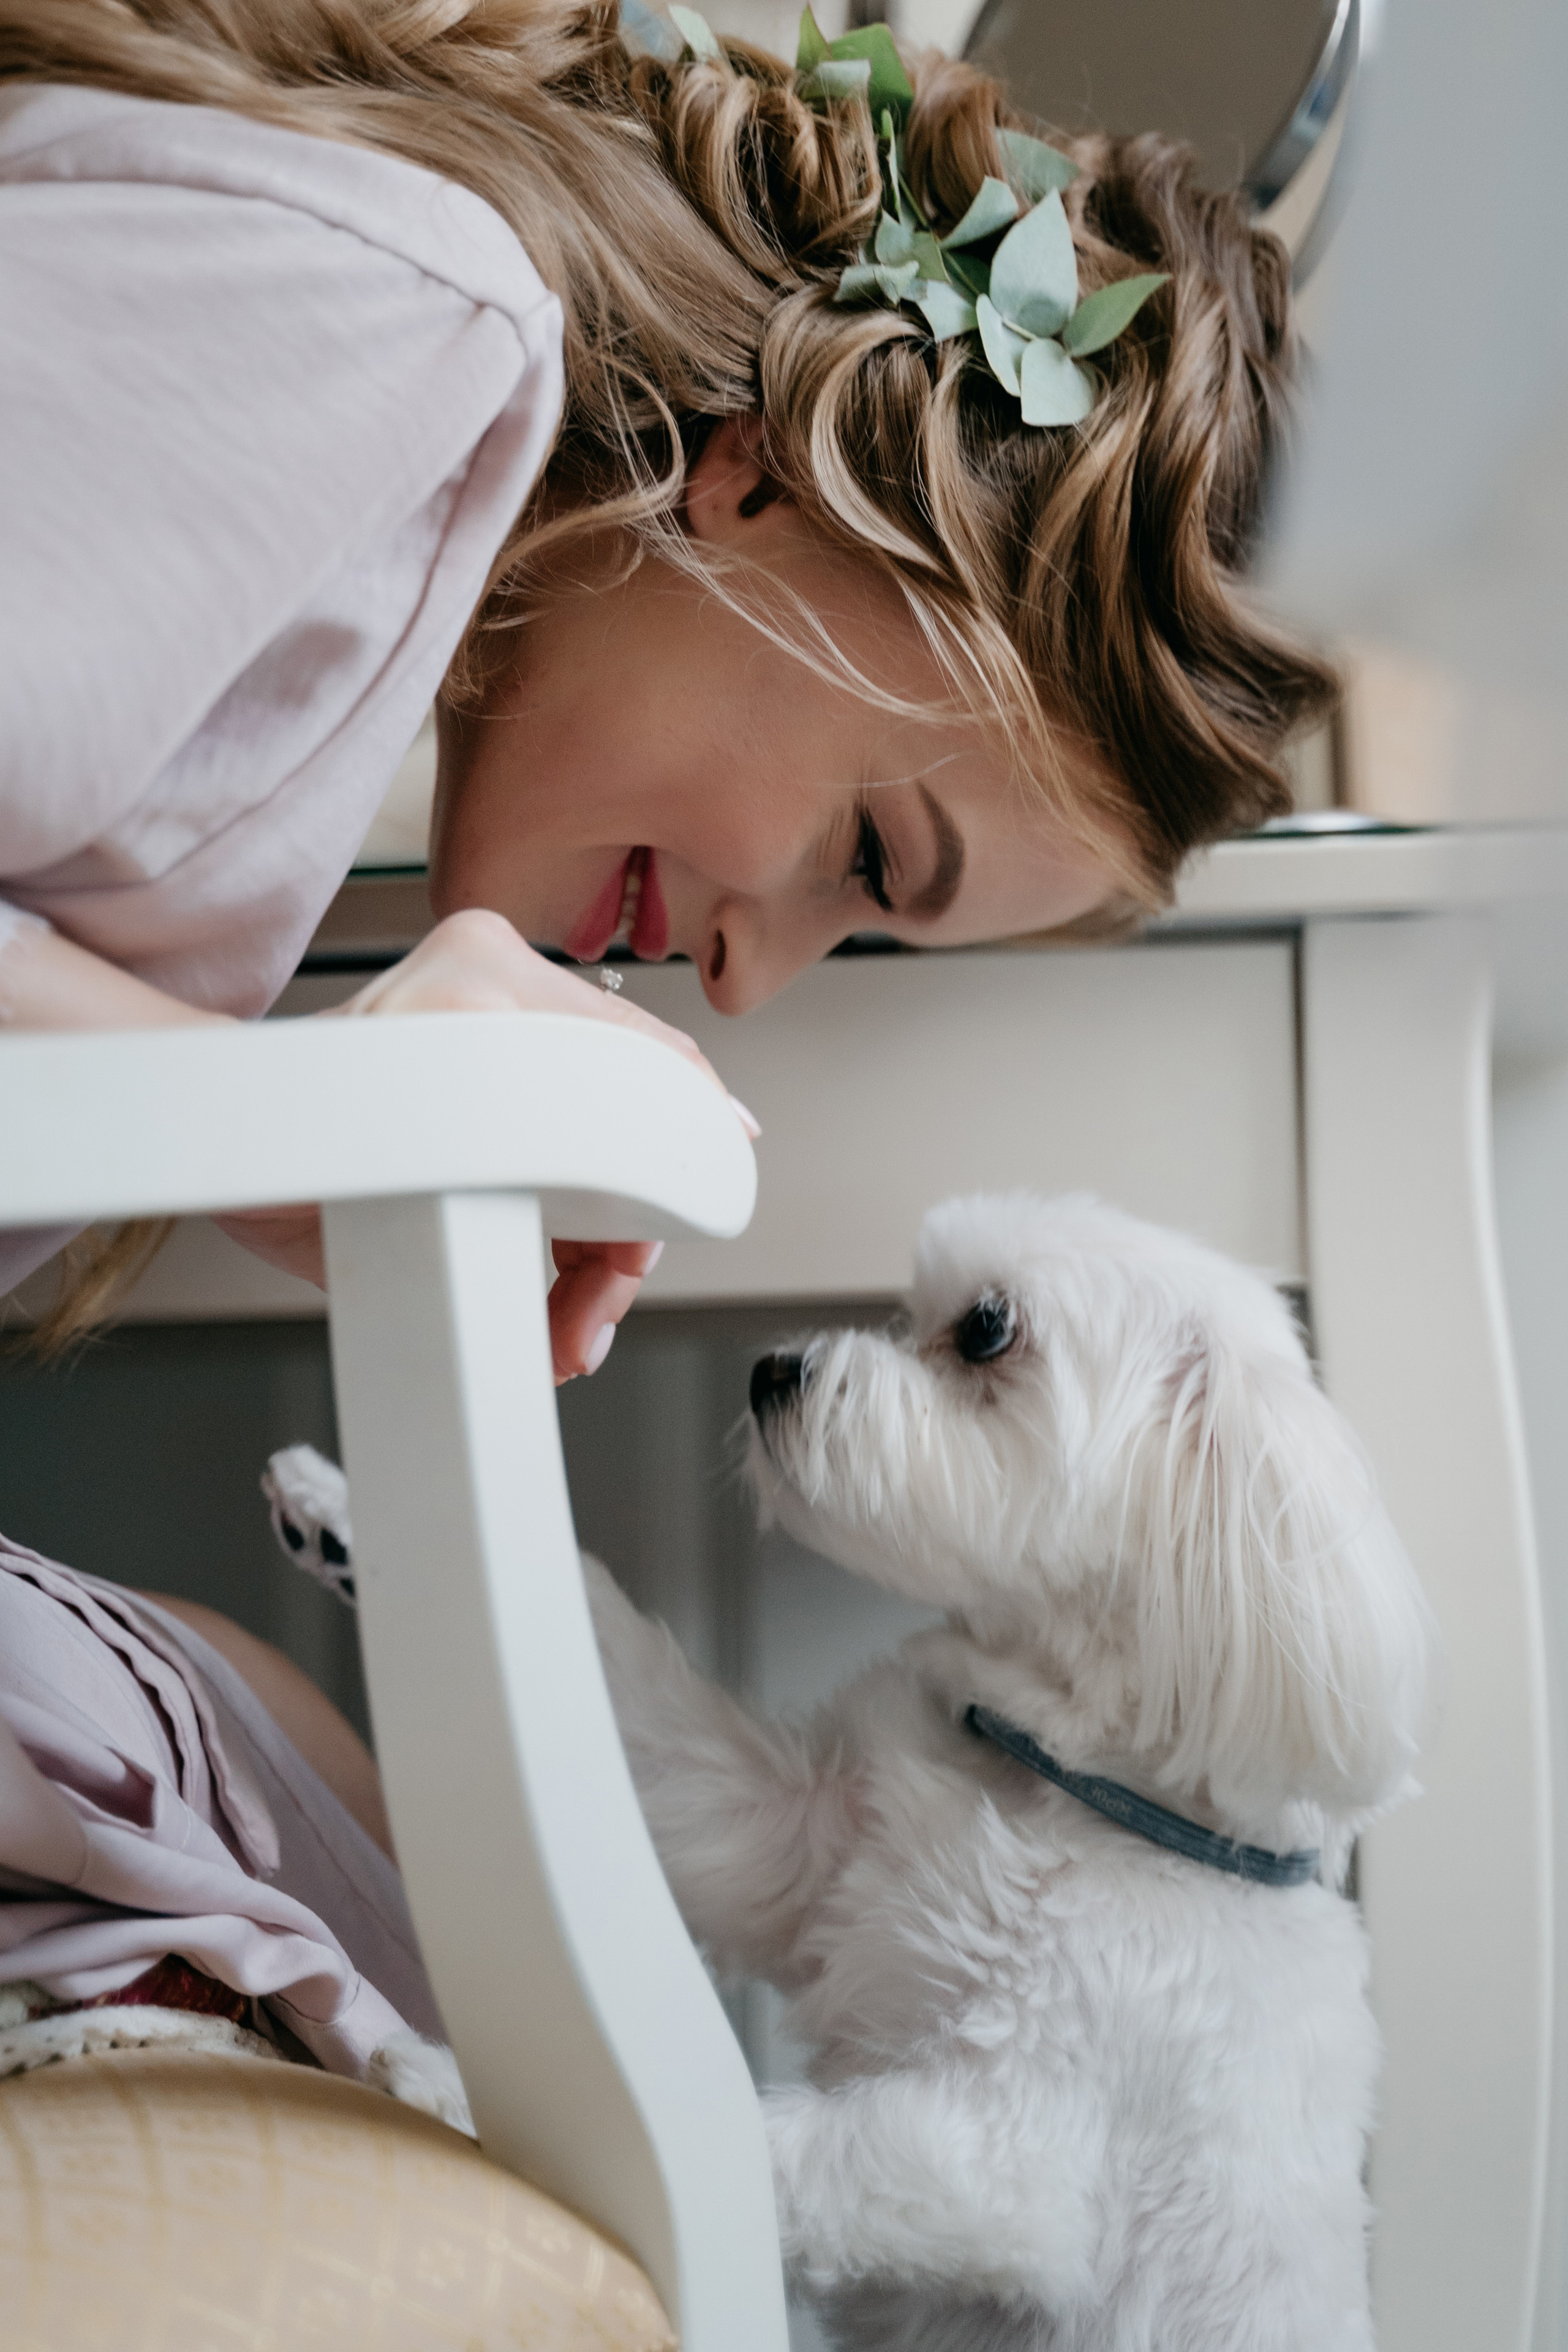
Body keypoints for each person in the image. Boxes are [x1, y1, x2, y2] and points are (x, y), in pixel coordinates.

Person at [0, 0, 1333, 2090]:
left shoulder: (394, 401)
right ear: (767, 484)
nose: (742, 977)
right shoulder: (392, 310)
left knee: (348, 1841)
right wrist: (309, 1111)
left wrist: (288, 1152)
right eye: (866, 853)